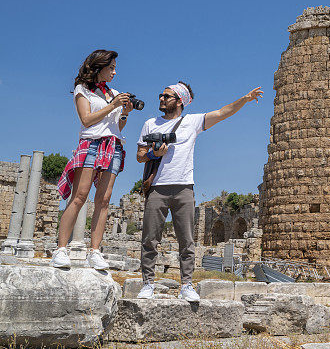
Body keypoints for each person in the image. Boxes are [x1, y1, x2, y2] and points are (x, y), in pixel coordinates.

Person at [136, 81, 263, 301]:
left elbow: (223, 112)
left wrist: (245, 98)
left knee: (187, 240)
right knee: (150, 238)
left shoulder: (192, 122)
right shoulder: (150, 124)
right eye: (161, 95)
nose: (161, 99)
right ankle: (147, 284)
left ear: (180, 101)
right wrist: (154, 154)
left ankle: (186, 285)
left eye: (166, 96)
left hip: (184, 187)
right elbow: (140, 155)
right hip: (157, 187)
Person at [53, 49, 134, 269]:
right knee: (79, 197)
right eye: (112, 68)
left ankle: (95, 251)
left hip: (113, 144)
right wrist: (113, 105)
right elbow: (86, 120)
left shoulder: (113, 92)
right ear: (99, 67)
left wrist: (124, 112)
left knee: (104, 200)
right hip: (91, 143)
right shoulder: (83, 89)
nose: (115, 73)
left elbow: (117, 125)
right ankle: (61, 249)